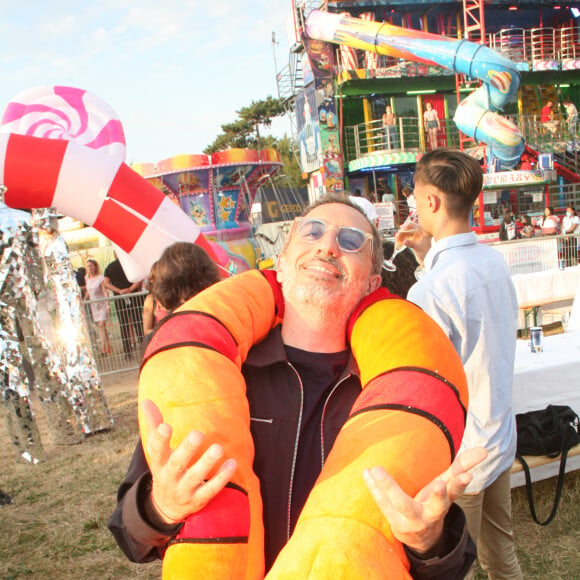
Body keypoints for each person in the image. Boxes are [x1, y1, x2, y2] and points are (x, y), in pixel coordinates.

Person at [109, 193, 483, 577]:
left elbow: (448, 563)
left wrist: (428, 540)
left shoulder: (392, 396)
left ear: (372, 283)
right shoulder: (213, 378)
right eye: (312, 231)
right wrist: (161, 508)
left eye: (352, 240)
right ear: (282, 265)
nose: (328, 245)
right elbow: (129, 533)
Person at [405, 149, 523, 579]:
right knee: (500, 553)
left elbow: (429, 379)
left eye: (415, 199)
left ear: (433, 202)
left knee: (458, 569)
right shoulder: (491, 260)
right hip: (498, 435)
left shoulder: (433, 287)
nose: (413, 207)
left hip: (461, 454)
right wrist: (425, 256)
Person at [103, 256, 144, 361]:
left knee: (124, 325)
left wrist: (119, 291)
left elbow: (106, 283)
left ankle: (128, 352)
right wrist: (130, 289)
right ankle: (143, 349)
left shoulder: (110, 267)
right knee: (138, 323)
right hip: (132, 297)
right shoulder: (130, 265)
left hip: (120, 298)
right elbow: (140, 278)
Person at [85, 258, 112, 357]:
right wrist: (84, 299)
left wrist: (108, 304)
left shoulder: (100, 278)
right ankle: (108, 346)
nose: (90, 268)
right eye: (88, 266)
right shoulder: (87, 278)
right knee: (102, 327)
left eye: (91, 266)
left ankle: (103, 348)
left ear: (95, 267)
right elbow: (88, 291)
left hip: (102, 303)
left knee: (101, 325)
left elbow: (105, 291)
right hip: (94, 305)